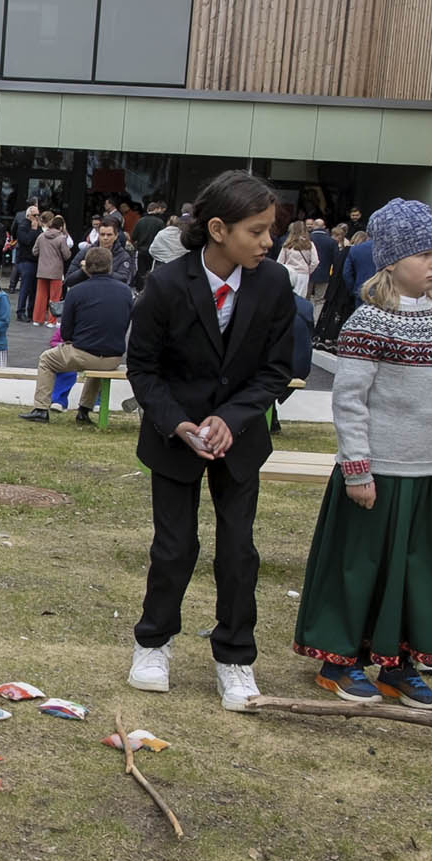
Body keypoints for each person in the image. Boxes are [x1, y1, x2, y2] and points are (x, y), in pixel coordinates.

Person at [292, 199, 432, 710]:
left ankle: (398, 666)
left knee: (420, 572)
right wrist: (357, 469)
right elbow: (349, 402)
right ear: (392, 261)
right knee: (363, 567)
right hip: (381, 473)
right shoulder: (368, 322)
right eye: (424, 255)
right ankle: (340, 662)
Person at [124, 170, 297, 712]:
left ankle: (235, 656)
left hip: (240, 438)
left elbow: (278, 370)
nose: (268, 242)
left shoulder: (273, 284)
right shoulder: (168, 284)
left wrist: (234, 416)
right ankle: (153, 643)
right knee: (174, 548)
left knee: (239, 550)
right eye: (258, 231)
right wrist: (178, 422)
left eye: (272, 231)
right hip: (175, 438)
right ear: (218, 228)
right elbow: (143, 368)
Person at [21, 244, 131, 425]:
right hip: (113, 356)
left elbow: (66, 331)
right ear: (110, 266)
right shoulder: (126, 292)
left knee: (46, 360)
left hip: (83, 353)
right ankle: (84, 410)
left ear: (86, 267)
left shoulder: (77, 291)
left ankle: (41, 408)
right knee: (98, 366)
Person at [65, 219, 138, 289]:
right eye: (102, 234)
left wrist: (99, 271)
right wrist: (83, 271)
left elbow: (125, 280)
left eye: (109, 235)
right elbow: (68, 280)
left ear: (116, 236)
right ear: (98, 235)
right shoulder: (86, 252)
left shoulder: (123, 256)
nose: (105, 238)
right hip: (87, 294)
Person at [33, 213, 73, 326]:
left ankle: (37, 319)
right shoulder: (61, 238)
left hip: (42, 270)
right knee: (55, 297)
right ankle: (52, 321)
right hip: (55, 271)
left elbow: (34, 251)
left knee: (40, 296)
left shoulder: (41, 236)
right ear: (60, 227)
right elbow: (66, 255)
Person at [12, 204, 42, 321]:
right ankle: (21, 311)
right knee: (25, 287)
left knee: (34, 288)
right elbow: (27, 240)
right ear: (29, 215)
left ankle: (31, 311)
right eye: (35, 215)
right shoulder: (23, 226)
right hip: (26, 261)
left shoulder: (36, 226)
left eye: (38, 215)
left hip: (35, 261)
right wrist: (34, 230)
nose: (37, 217)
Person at [131, 199, 168, 282]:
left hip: (141, 251)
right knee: (151, 272)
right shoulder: (160, 222)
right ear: (156, 210)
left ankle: (139, 290)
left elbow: (133, 237)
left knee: (141, 272)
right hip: (154, 252)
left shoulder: (140, 221)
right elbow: (163, 238)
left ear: (148, 209)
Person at [278, 221, 318, 298]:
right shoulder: (309, 244)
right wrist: (308, 270)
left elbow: (280, 262)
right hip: (303, 274)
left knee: (288, 297)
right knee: (301, 297)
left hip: (289, 273)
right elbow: (315, 261)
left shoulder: (287, 244)